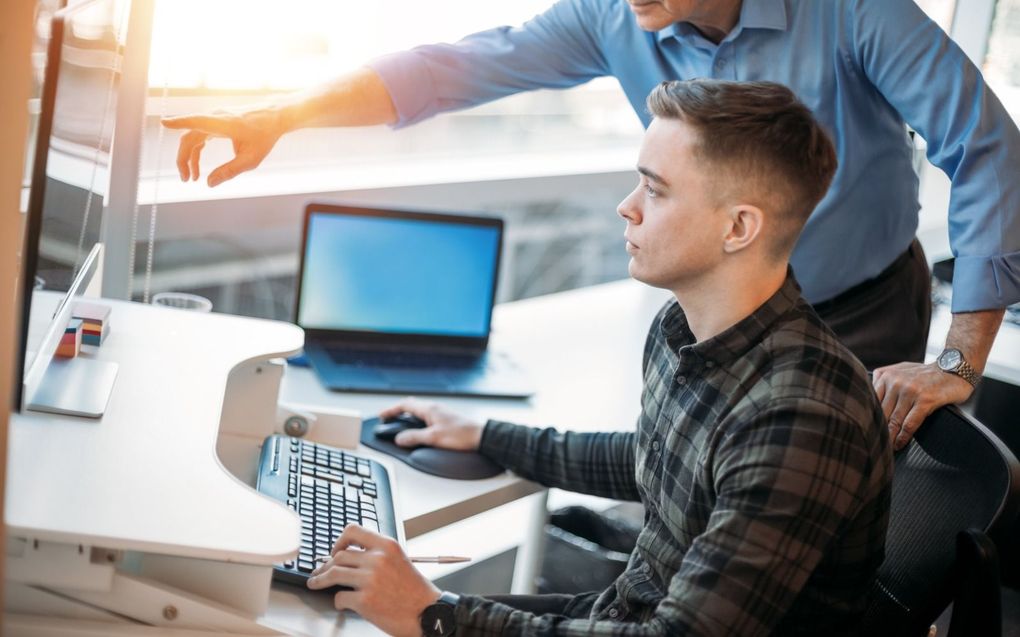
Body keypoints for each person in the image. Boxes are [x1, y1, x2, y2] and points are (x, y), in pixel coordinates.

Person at [162, 0, 1020, 451]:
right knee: (689, 501)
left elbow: (987, 149)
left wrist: (957, 360)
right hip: (721, 314)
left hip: (859, 311)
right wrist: (284, 112)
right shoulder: (615, 13)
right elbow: (454, 68)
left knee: (824, 544)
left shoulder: (854, 9)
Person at [304, 79, 892, 637]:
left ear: (738, 227)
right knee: (345, 605)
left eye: (655, 190)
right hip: (626, 612)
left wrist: (435, 615)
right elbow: (654, 460)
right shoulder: (681, 326)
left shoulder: (800, 416)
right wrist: (486, 434)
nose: (626, 208)